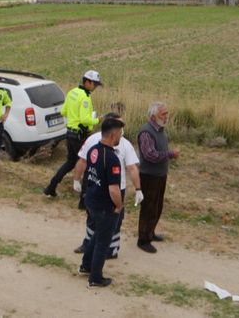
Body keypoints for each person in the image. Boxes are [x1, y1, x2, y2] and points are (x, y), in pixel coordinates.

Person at [72, 113, 143, 258]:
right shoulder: (93, 140)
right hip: (96, 186)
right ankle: (88, 244)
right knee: (92, 218)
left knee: (115, 221)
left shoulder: (125, 145)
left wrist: (138, 189)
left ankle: (112, 249)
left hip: (117, 189)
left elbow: (132, 168)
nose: (121, 130)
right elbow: (82, 161)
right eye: (119, 126)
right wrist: (76, 179)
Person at [78, 117, 124, 288]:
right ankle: (95, 278)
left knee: (97, 234)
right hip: (105, 206)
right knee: (103, 242)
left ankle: (86, 265)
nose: (120, 136)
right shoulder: (112, 158)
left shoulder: (93, 150)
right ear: (113, 135)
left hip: (91, 200)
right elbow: (113, 189)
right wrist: (119, 206)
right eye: (119, 133)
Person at [43, 70, 102, 198]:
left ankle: (51, 187)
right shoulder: (85, 97)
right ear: (87, 82)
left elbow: (64, 112)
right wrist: (98, 120)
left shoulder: (72, 92)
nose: (96, 87)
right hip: (79, 135)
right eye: (95, 84)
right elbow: (85, 120)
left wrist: (73, 117)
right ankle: (84, 197)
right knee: (87, 163)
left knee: (70, 162)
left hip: (69, 133)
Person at [136, 102, 180, 253]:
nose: (166, 117)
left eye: (167, 113)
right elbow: (150, 155)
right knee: (148, 207)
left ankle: (150, 233)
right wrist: (170, 154)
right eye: (163, 114)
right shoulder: (146, 132)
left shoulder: (161, 130)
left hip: (160, 175)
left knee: (157, 206)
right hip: (149, 176)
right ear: (153, 116)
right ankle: (143, 239)